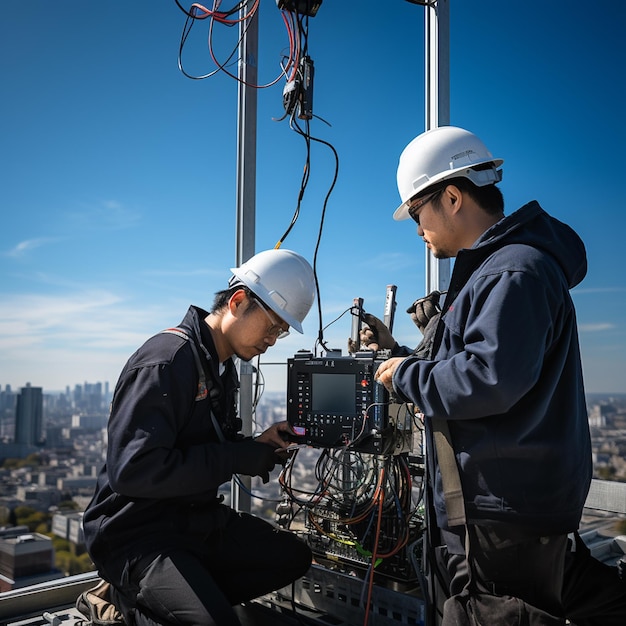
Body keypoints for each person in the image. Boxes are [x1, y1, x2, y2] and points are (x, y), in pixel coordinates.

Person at [360, 126, 626, 624]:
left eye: (418, 214)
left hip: (503, 514)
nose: (419, 230)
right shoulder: (499, 271)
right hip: (500, 507)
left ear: (453, 197)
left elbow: (489, 378)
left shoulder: (511, 272)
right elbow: (470, 363)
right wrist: (398, 353)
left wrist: (406, 377)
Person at [83, 248, 317, 626]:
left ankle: (182, 601)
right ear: (239, 302)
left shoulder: (215, 365)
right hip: (139, 535)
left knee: (292, 557)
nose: (272, 340)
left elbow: (199, 447)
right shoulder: (168, 360)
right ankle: (125, 605)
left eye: (281, 332)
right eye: (272, 327)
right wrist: (236, 458)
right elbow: (133, 471)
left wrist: (254, 446)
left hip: (194, 520)